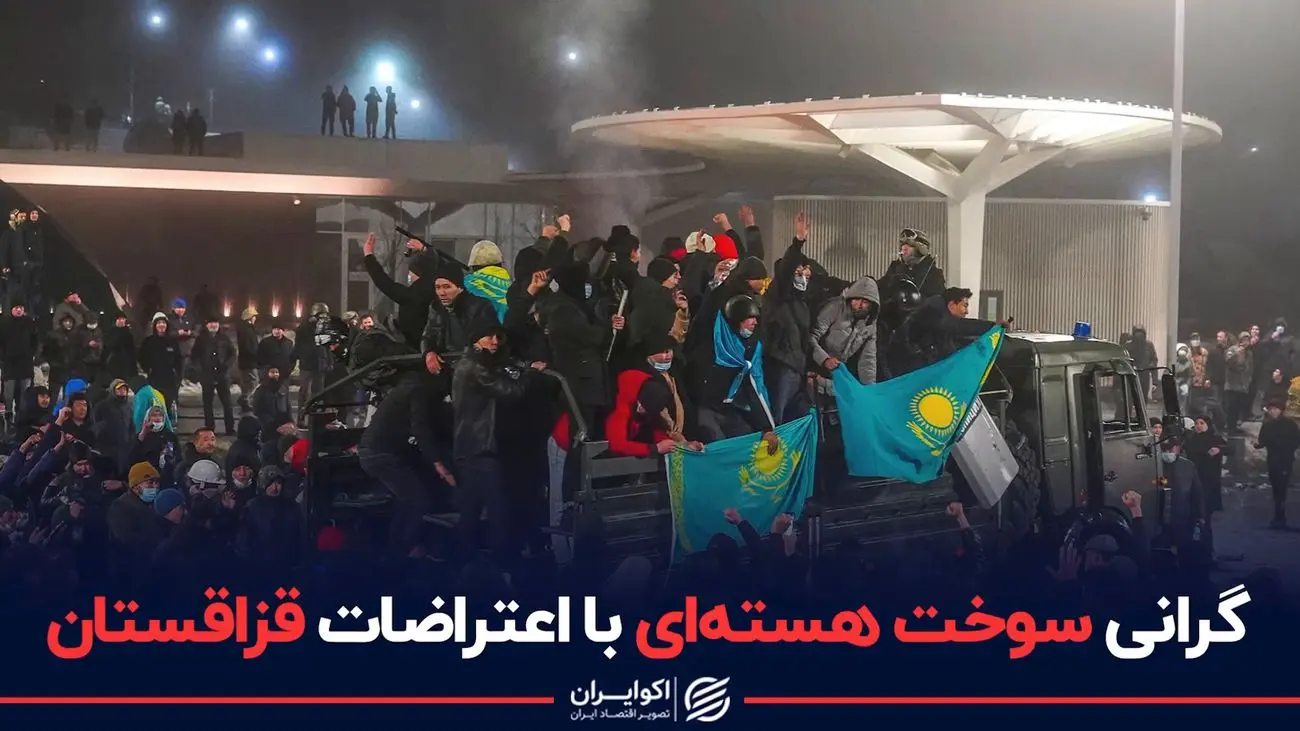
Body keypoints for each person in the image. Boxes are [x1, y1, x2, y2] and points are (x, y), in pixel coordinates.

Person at [450, 321, 538, 563]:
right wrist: (530, 373)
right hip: (480, 446)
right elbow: (510, 391)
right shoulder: (476, 367)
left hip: (469, 445)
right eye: (489, 337)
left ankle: (464, 563)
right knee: (498, 507)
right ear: (476, 339)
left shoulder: (470, 363)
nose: (495, 342)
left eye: (498, 337)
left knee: (471, 508)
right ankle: (502, 563)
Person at [357, 368, 451, 558]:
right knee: (416, 501)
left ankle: (408, 547)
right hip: (381, 454)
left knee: (414, 496)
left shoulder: (410, 387)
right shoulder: (419, 391)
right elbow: (420, 427)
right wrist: (438, 463)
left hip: (383, 451)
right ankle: (402, 551)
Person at [689, 294, 777, 443]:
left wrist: (767, 428)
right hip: (705, 409)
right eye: (750, 317)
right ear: (737, 320)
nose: (755, 322)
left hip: (728, 408)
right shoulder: (709, 349)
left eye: (756, 318)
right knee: (717, 443)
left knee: (746, 439)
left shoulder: (749, 350)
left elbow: (754, 388)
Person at [606, 333, 701, 457]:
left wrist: (684, 445)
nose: (667, 356)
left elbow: (660, 433)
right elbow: (617, 444)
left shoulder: (651, 410)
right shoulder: (620, 415)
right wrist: (653, 449)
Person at [810, 275, 880, 392]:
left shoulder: (870, 324)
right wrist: (824, 359)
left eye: (865, 302)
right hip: (814, 367)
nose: (859, 305)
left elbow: (868, 359)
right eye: (856, 300)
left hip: (836, 372)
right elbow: (811, 337)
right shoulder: (834, 308)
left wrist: (870, 390)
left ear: (872, 305)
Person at [1255, 401, 1300, 529]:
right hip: (1273, 459)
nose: (1273, 412)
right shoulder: (1267, 424)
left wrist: (1287, 448)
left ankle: (1281, 515)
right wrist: (1258, 445)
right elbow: (1262, 440)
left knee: (1282, 487)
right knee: (1276, 486)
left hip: (1285, 459)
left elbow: (1297, 440)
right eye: (1271, 409)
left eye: (1275, 409)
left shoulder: (1289, 424)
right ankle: (1278, 515)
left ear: (1281, 410)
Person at [194, 316, 236, 435]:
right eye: (211, 323)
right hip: (207, 375)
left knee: (227, 403)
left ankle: (230, 428)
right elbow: (195, 356)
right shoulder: (201, 339)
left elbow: (232, 353)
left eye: (215, 323)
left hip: (222, 375)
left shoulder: (224, 337)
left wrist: (227, 365)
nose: (213, 325)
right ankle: (209, 427)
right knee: (208, 403)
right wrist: (200, 370)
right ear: (207, 325)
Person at [138, 313, 183, 420]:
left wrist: (177, 374)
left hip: (169, 378)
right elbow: (141, 357)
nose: (161, 325)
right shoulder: (148, 342)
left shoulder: (172, 342)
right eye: (158, 323)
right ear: (155, 326)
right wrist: (147, 369)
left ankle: (169, 423)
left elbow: (178, 359)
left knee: (169, 402)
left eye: (163, 323)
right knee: (155, 402)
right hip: (155, 377)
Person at [0, 300, 39, 416]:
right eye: (16, 308)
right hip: (9, 365)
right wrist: (3, 356)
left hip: (25, 365)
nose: (19, 310)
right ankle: (7, 417)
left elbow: (35, 340)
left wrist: (32, 353)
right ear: (12, 309)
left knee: (24, 395)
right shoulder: (4, 323)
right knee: (8, 394)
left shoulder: (29, 323)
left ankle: (21, 417)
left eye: (21, 308)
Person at [1223, 331, 1253, 433]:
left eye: (1248, 340)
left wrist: (1248, 381)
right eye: (1244, 339)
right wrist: (1237, 353)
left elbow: (1250, 369)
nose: (1246, 342)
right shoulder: (1232, 349)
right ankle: (1229, 426)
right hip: (1232, 384)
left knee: (1239, 406)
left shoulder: (1249, 354)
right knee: (1231, 406)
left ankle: (1234, 425)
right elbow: (1227, 360)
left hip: (1243, 385)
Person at [235, 307, 259, 413]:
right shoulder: (247, 330)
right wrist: (256, 355)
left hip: (245, 361)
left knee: (247, 383)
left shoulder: (244, 329)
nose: (255, 319)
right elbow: (249, 347)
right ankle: (246, 399)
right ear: (250, 317)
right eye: (254, 316)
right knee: (254, 382)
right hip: (250, 362)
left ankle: (245, 401)